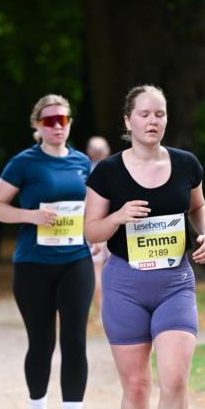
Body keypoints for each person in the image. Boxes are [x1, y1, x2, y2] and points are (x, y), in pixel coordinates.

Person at [84, 84, 205, 409]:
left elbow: (197, 207)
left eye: (159, 114)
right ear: (128, 121)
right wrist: (119, 216)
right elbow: (90, 230)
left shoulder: (186, 164)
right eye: (144, 114)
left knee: (174, 377)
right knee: (137, 385)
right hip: (124, 285)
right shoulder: (107, 172)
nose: (153, 121)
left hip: (175, 282)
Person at [0, 93, 95, 409]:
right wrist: (30, 216)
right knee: (42, 342)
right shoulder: (24, 163)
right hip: (33, 264)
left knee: (75, 341)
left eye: (62, 119)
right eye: (49, 120)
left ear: (70, 123)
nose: (57, 126)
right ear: (37, 125)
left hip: (76, 260)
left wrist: (99, 238)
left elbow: (97, 207)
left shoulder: (82, 163)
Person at [86, 137, 111, 320]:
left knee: (97, 272)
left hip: (94, 227)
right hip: (116, 227)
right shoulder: (118, 169)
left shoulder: (85, 173)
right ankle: (110, 312)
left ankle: (103, 313)